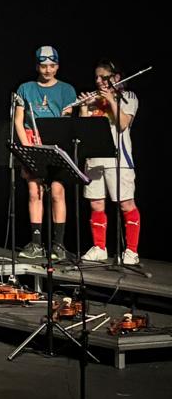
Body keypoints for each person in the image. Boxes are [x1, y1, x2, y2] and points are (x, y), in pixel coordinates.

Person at [67, 60, 140, 266]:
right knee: (96, 203)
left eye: (103, 77)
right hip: (94, 159)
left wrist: (110, 100)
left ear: (116, 77)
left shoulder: (128, 97)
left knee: (126, 204)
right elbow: (83, 130)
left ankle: (132, 251)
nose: (98, 81)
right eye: (96, 77)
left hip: (119, 159)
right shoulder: (94, 99)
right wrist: (84, 107)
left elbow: (123, 123)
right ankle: (99, 248)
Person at [13, 45, 76, 261]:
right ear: (37, 66)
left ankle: (58, 244)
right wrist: (27, 149)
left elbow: (66, 121)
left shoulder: (67, 90)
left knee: (57, 192)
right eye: (43, 66)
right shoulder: (25, 88)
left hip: (55, 145)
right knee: (35, 192)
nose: (48, 70)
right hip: (32, 143)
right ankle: (36, 243)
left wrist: (56, 140)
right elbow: (19, 121)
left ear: (57, 66)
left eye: (52, 65)